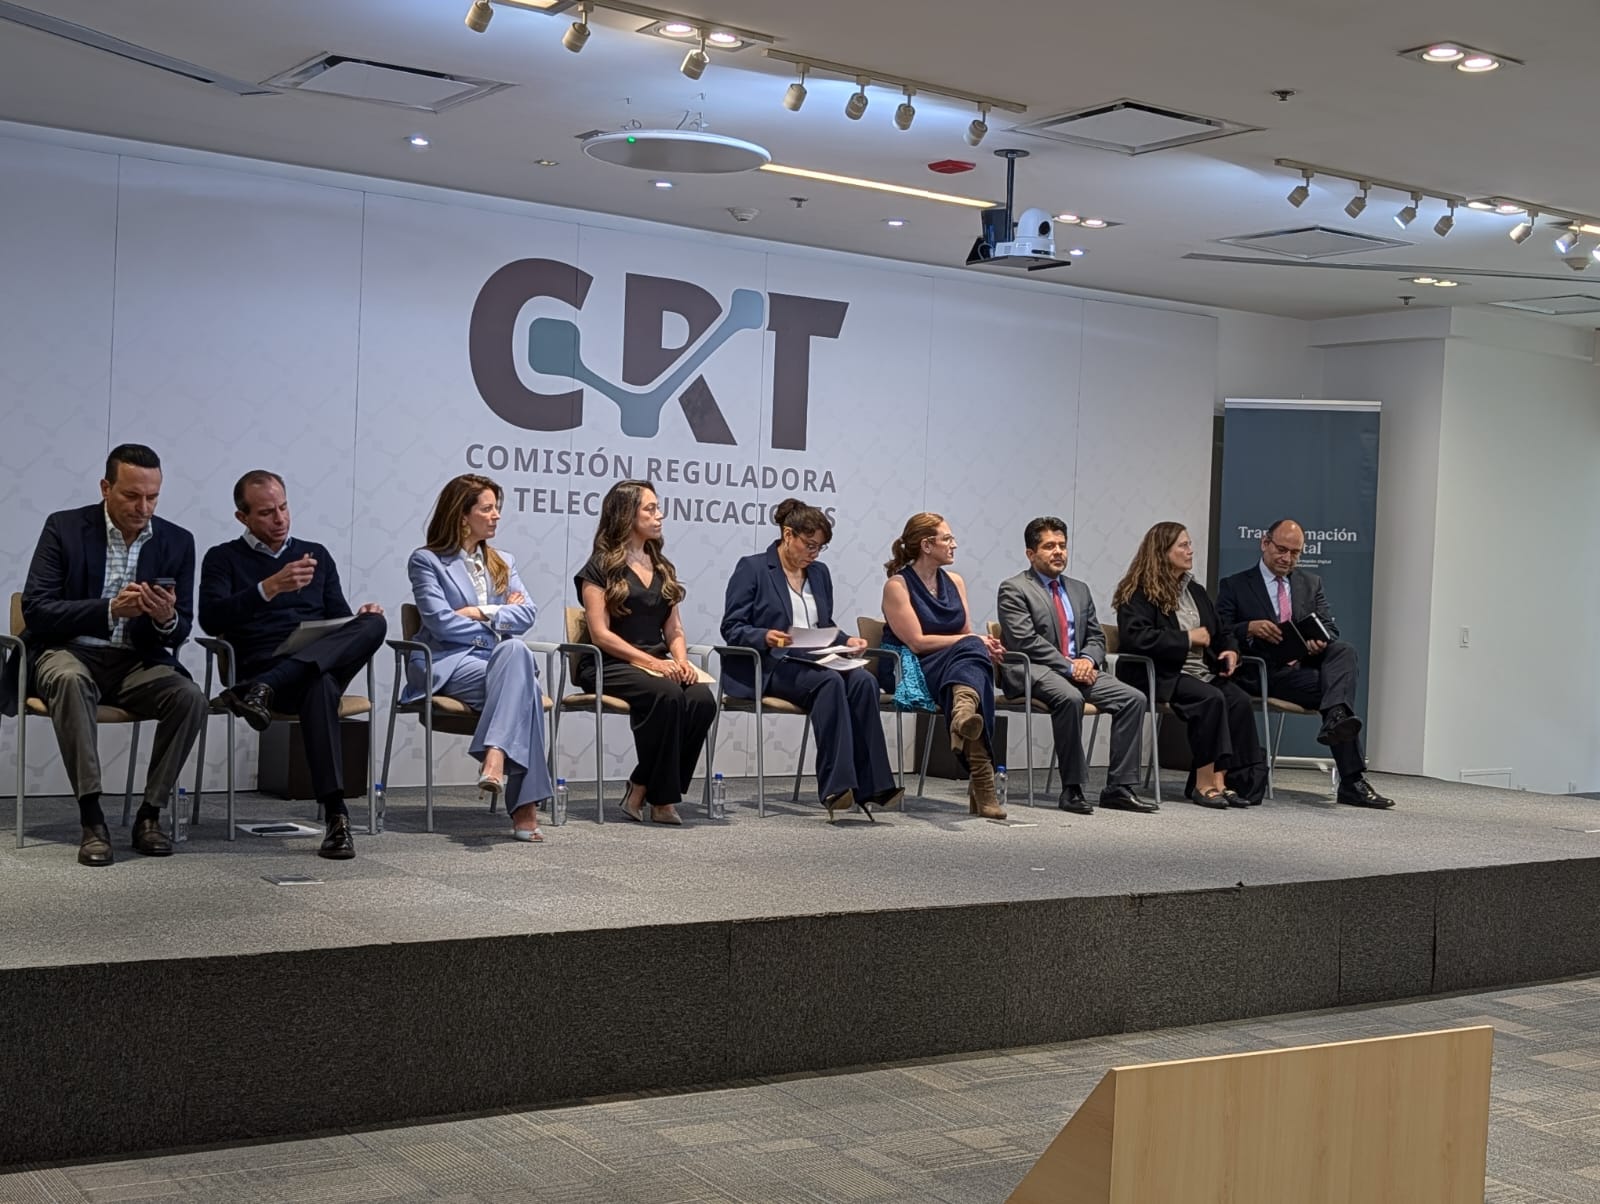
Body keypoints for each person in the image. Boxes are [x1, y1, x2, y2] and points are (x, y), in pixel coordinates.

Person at [4, 444, 207, 866]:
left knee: (189, 697)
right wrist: (110, 609)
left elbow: (181, 628)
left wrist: (166, 617)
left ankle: (150, 814)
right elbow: (37, 609)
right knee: (69, 679)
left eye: (152, 497)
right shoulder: (64, 527)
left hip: (136, 660)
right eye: (132, 495)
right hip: (69, 650)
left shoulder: (178, 541)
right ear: (105, 488)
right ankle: (92, 817)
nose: (143, 508)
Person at [199, 470, 388, 859]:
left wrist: (357, 620)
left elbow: (337, 618)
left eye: (283, 507)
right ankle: (336, 816)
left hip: (276, 682)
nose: (280, 519)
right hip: (261, 661)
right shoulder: (223, 558)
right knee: (319, 686)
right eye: (267, 512)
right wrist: (268, 588)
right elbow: (211, 619)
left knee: (375, 622)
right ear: (242, 517)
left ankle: (265, 686)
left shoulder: (315, 554)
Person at [720, 498, 902, 820]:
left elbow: (823, 626)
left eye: (820, 547)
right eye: (810, 545)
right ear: (788, 534)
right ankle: (837, 787)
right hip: (773, 663)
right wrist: (765, 636)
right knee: (829, 683)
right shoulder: (753, 568)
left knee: (863, 681)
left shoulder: (819, 573)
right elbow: (732, 627)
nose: (814, 554)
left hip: (816, 659)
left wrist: (848, 641)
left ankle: (873, 785)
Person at [403, 474, 554, 842]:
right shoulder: (427, 561)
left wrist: (478, 612)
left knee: (515, 652)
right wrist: (499, 619)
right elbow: (440, 623)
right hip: (447, 663)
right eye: (487, 509)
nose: (496, 515)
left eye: (496, 508)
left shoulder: (503, 561)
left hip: (497, 662)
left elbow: (528, 614)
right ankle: (524, 809)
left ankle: (495, 756)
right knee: (525, 689)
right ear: (462, 516)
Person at [1215, 518, 1394, 809]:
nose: (1287, 558)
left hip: (1302, 666)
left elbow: (1329, 629)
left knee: (1343, 651)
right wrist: (1249, 628)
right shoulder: (1235, 585)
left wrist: (1318, 641)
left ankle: (1337, 722)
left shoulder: (1310, 583)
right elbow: (1219, 631)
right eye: (1282, 550)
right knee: (1336, 695)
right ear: (1265, 543)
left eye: (1295, 553)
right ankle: (1352, 780)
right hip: (1264, 671)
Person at [575, 480, 716, 826]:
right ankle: (663, 799)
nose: (659, 515)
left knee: (701, 700)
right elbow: (600, 634)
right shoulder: (599, 567)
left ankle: (642, 783)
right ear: (626, 515)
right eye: (650, 509)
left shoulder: (662, 566)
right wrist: (653, 662)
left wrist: (681, 662)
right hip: (610, 663)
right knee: (667, 694)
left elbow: (674, 629)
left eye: (658, 508)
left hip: (656, 665)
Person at [996, 517, 1155, 815]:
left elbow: (1095, 636)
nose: (1058, 552)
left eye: (1062, 545)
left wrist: (1087, 660)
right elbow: (1025, 641)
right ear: (1031, 554)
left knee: (1133, 699)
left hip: (1079, 670)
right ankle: (1072, 788)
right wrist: (1070, 666)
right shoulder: (1014, 589)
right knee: (1070, 698)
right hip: (1034, 670)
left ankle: (1119, 788)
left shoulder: (1079, 589)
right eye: (1049, 546)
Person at [1112, 522, 1265, 808]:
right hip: (1159, 672)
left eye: (1189, 544)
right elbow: (1136, 638)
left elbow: (1221, 631)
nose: (1190, 550)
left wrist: (1231, 651)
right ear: (1162, 551)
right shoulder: (1138, 592)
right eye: (1183, 545)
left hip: (1199, 671)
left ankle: (1223, 780)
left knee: (1238, 700)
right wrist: (1186, 638)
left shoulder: (1194, 590)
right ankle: (1203, 784)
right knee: (1211, 698)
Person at [880, 512, 1007, 819]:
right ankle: (982, 783)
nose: (954, 544)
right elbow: (917, 642)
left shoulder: (955, 581)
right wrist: (976, 641)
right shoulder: (898, 585)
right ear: (926, 545)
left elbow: (964, 633)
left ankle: (964, 711)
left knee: (971, 659)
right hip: (910, 665)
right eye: (947, 538)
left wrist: (979, 643)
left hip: (951, 665)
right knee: (972, 656)